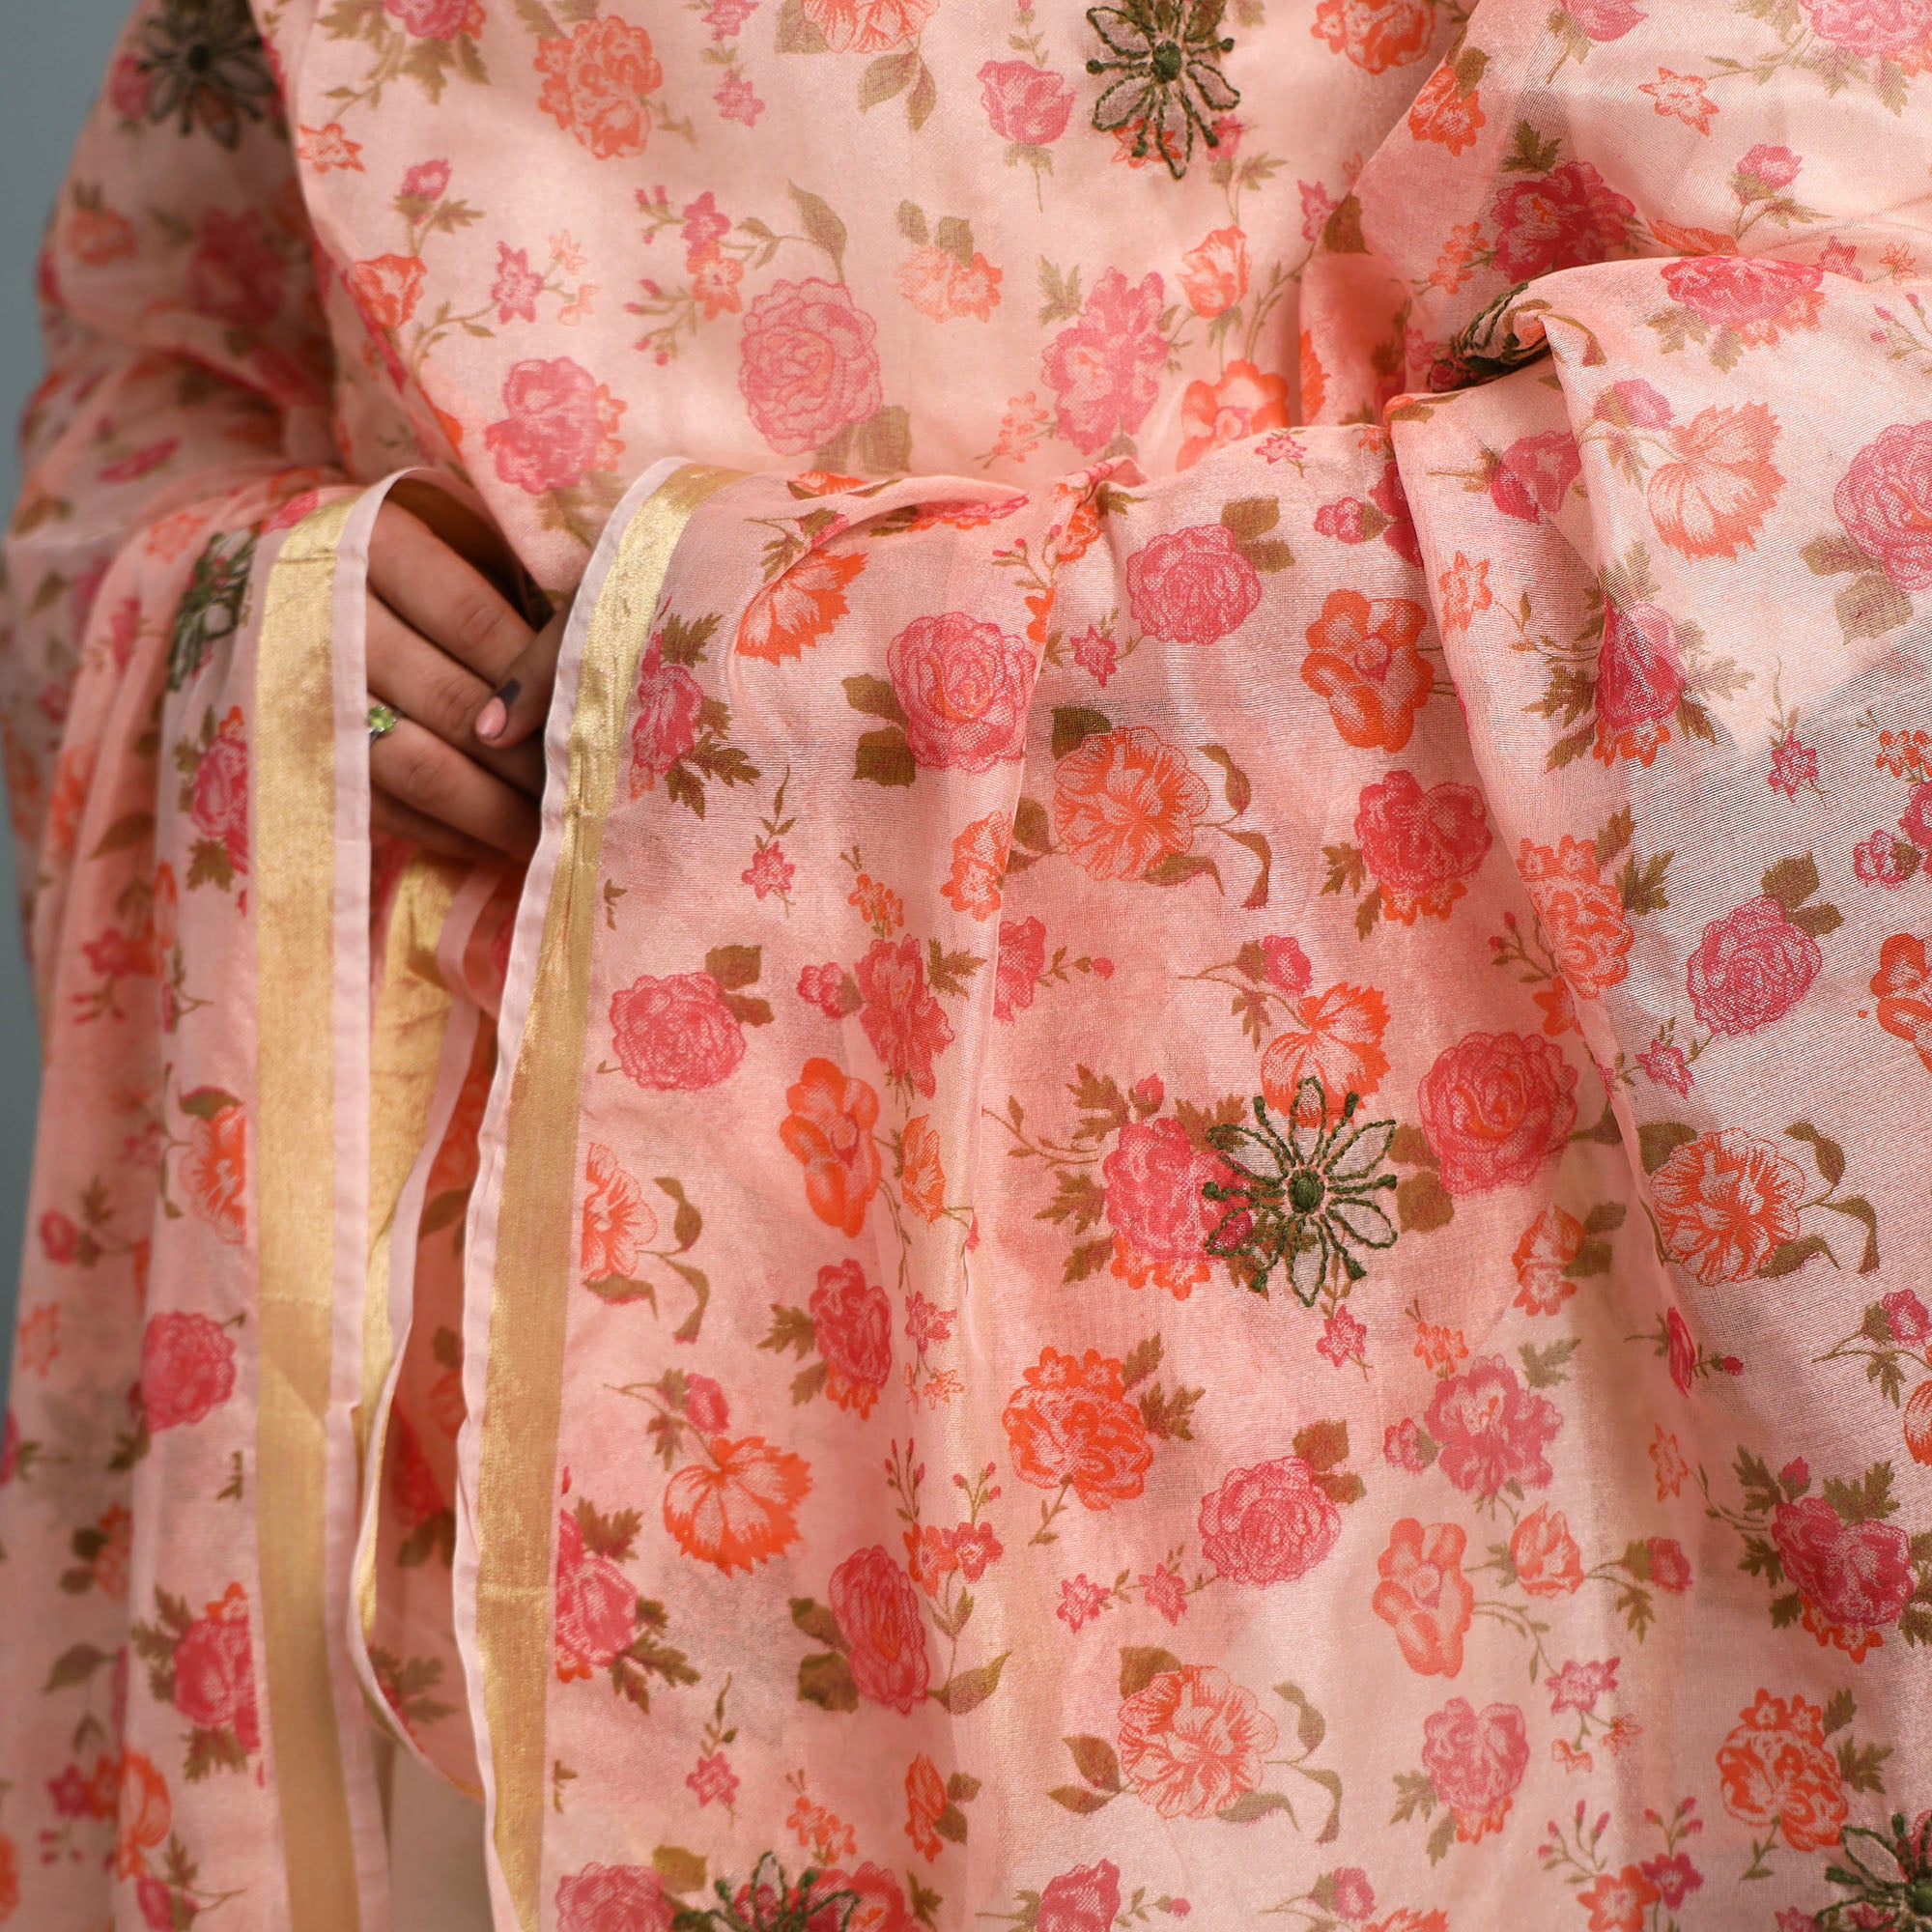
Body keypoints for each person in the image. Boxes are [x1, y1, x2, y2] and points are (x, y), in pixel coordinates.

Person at [3, 0, 1931, 1927]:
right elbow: (154, 380)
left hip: (1353, 1319)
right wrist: (267, 606)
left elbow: (1836, 404)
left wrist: (825, 658)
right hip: (488, 1290)